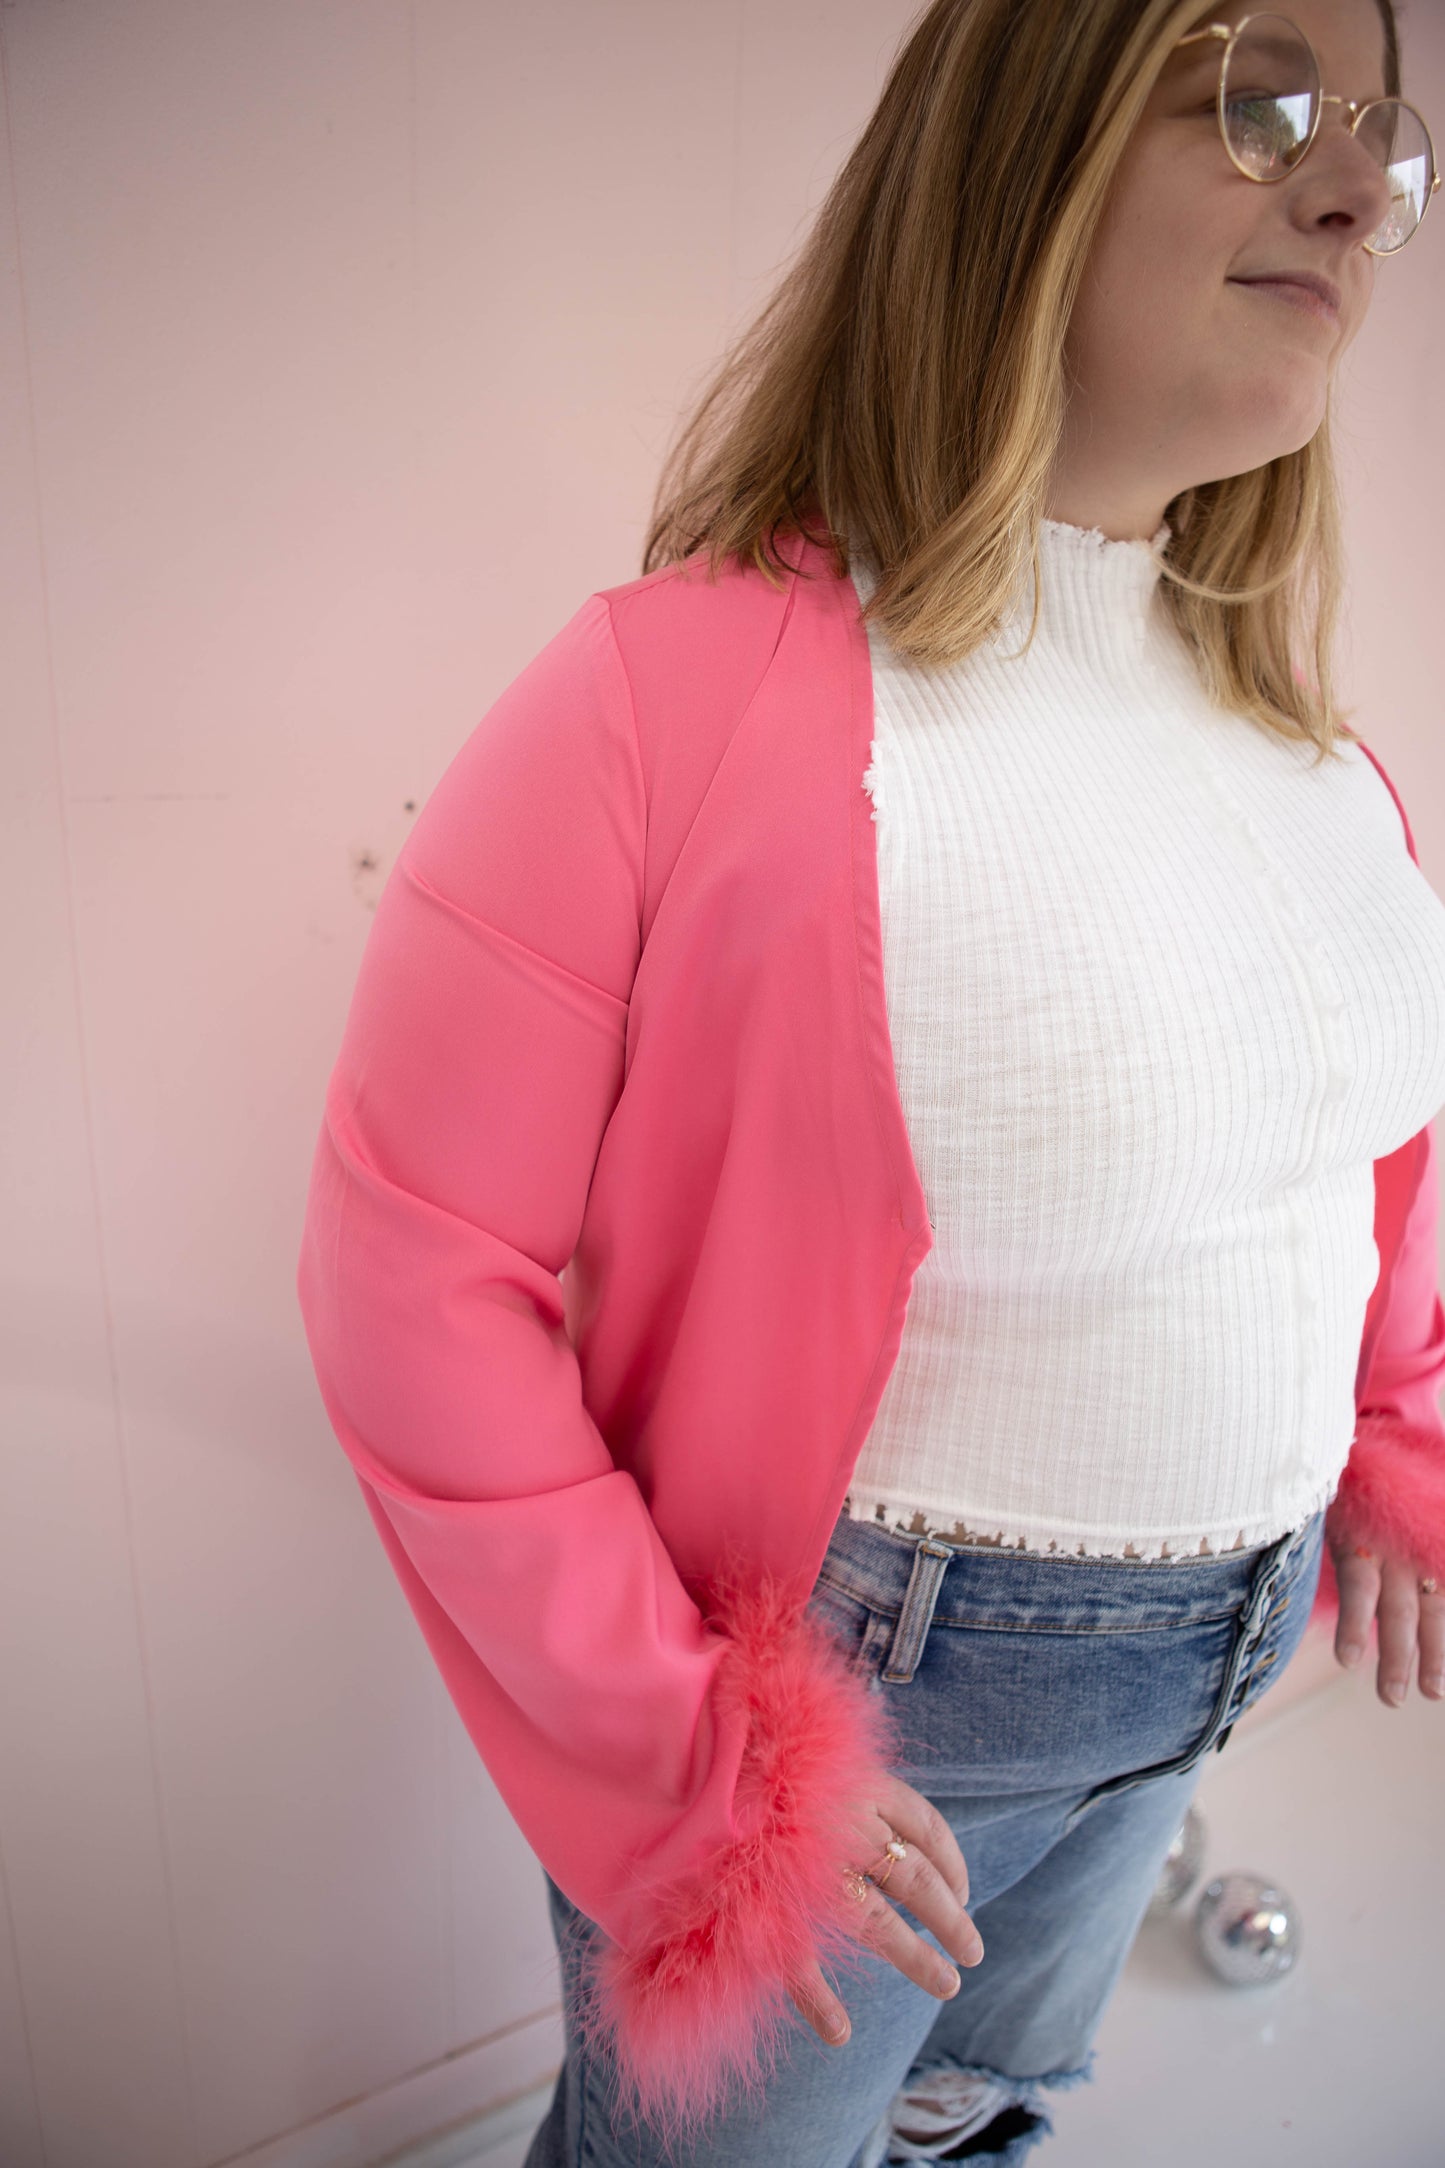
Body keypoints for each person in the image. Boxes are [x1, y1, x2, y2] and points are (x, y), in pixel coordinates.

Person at [294, 1, 1445, 2162]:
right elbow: (407, 1276)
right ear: (1026, 142)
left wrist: (1398, 1426)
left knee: (974, 2118)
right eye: (1266, 91)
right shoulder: (665, 699)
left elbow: (1349, 1149)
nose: (1361, 183)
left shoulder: (1312, 749)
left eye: (1383, 129)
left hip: (1208, 1680)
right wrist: (693, 1765)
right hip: (854, 1721)